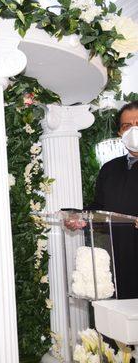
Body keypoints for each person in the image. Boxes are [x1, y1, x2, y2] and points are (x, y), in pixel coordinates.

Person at [68, 101, 138, 298]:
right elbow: (100, 208)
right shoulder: (110, 169)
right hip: (119, 266)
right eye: (127, 126)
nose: (134, 130)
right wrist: (81, 219)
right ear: (120, 133)